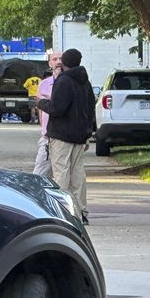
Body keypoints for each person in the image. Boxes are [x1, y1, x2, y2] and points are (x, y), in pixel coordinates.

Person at [37, 49, 95, 225]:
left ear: (66, 63)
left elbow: (57, 108)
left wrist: (41, 102)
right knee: (78, 173)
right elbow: (91, 105)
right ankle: (81, 211)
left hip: (62, 135)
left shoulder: (64, 81)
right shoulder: (85, 82)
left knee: (61, 172)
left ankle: (64, 211)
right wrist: (88, 131)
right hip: (80, 134)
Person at [33, 51, 62, 178]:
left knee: (62, 173)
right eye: (55, 59)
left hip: (63, 136)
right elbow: (40, 107)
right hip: (47, 136)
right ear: (50, 63)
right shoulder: (44, 84)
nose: (58, 62)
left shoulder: (70, 82)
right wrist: (43, 128)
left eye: (61, 59)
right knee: (40, 172)